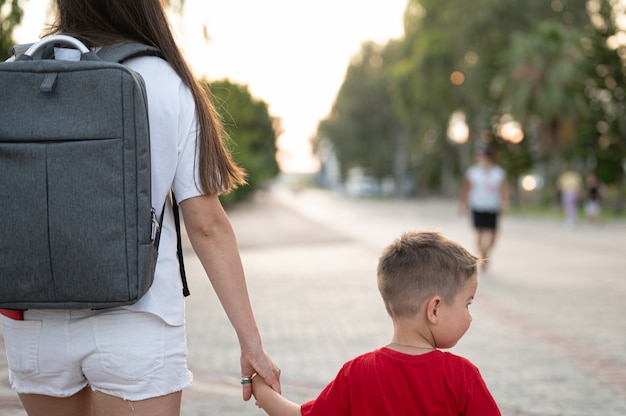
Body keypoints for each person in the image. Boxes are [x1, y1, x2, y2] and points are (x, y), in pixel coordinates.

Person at [0, 1, 280, 415]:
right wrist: (251, 344)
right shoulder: (165, 81)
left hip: (32, 323)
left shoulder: (17, 72)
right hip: (136, 319)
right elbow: (207, 228)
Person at [250, 230, 501, 416]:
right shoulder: (460, 376)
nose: (470, 316)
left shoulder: (356, 373)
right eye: (468, 303)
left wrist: (260, 387)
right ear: (434, 309)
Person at [459, 146, 509, 268]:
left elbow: (503, 190)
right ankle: (483, 255)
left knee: (493, 234)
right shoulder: (473, 172)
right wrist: (463, 203)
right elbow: (467, 189)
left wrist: (505, 203)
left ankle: (486, 252)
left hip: (492, 206)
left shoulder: (498, 173)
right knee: (480, 232)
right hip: (478, 205)